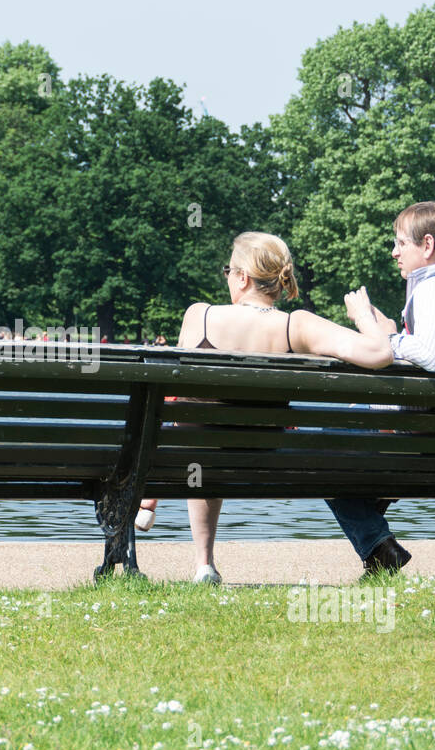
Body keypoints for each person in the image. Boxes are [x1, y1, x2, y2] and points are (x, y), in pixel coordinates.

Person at [136, 231, 392, 584]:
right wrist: (368, 318)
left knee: (199, 431)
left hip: (199, 456)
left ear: (242, 277)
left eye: (229, 271)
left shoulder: (199, 315)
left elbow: (177, 392)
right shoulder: (296, 325)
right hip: (270, 456)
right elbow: (380, 354)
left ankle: (204, 564)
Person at [322, 201, 435, 576]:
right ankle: (378, 545)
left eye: (400, 244)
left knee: (315, 444)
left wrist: (382, 334)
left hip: (416, 445)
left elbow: (432, 355)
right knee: (336, 438)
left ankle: (379, 548)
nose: (394, 252)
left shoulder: (433, 290)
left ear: (427, 245)